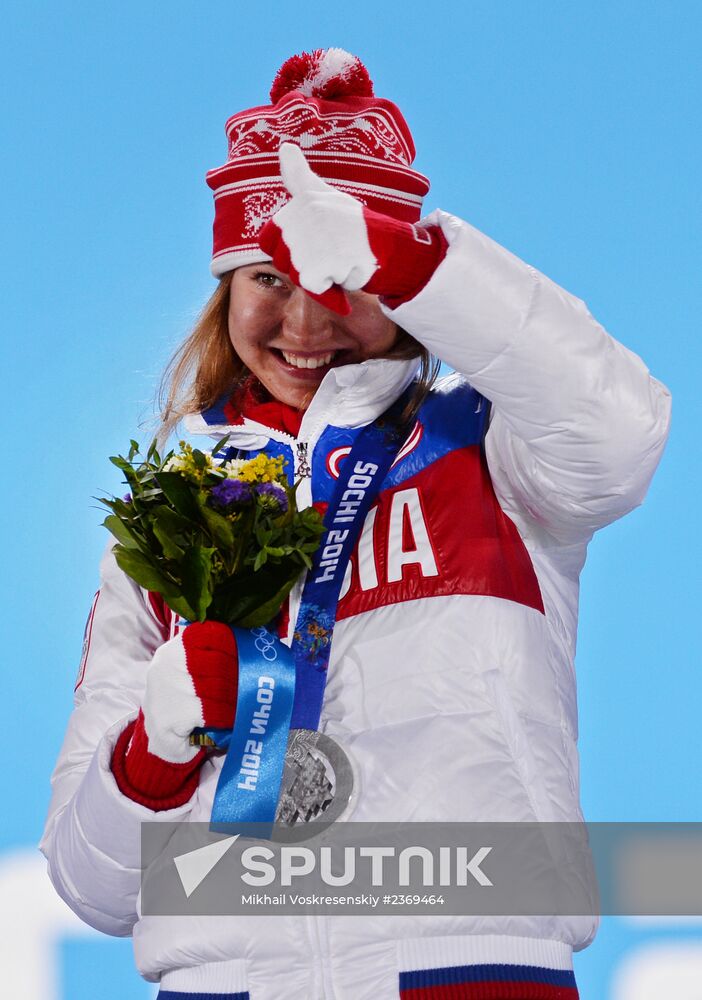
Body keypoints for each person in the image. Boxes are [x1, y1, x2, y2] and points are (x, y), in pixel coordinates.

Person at [41, 48, 671, 1000]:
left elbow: (621, 430)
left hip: (467, 974)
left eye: (347, 283)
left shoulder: (491, 446)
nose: (306, 323)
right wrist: (151, 754)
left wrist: (417, 261)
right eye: (269, 277)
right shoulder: (167, 518)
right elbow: (91, 886)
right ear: (226, 290)